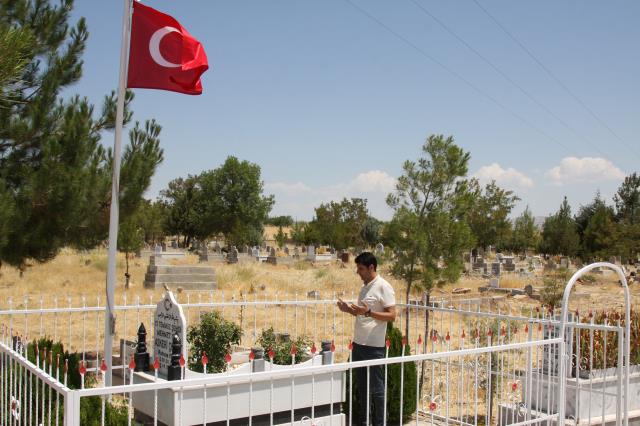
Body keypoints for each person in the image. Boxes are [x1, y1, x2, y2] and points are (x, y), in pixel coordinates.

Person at [337, 252, 396, 426]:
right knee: (362, 388)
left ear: (372, 267)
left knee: (377, 389)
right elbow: (361, 313)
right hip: (359, 344)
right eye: (357, 268)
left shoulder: (384, 286)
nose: (358, 272)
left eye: (360, 268)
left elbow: (392, 315)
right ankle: (365, 422)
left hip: (374, 346)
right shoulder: (365, 286)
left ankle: (379, 422)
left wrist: (369, 312)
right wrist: (348, 310)